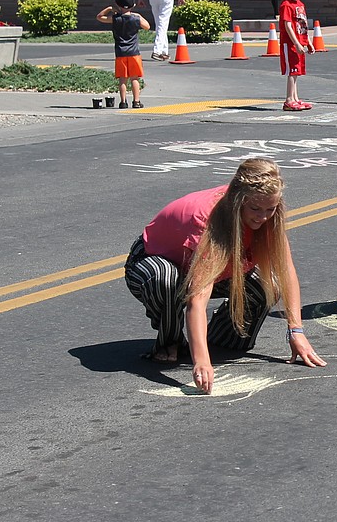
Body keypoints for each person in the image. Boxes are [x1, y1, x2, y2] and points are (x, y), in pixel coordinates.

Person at [124, 159, 325, 394]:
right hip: (154, 260)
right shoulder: (207, 220)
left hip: (221, 264)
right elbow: (197, 299)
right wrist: (201, 361)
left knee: (264, 290)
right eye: (255, 209)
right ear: (238, 201)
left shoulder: (271, 214)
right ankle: (171, 341)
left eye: (270, 209)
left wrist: (296, 331)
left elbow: (286, 272)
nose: (263, 217)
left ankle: (216, 337)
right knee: (165, 280)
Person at [96, 0, 150, 110]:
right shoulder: (136, 18)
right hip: (134, 53)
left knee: (122, 79)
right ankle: (136, 101)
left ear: (118, 5)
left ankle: (123, 102)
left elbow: (99, 17)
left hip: (120, 53)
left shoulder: (115, 19)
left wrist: (110, 8)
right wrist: (139, 16)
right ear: (133, 5)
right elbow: (147, 26)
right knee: (134, 78)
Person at [279, 0, 315, 111]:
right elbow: (288, 26)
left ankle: (295, 98)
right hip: (290, 43)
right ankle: (289, 100)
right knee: (292, 70)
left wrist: (308, 42)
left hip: (300, 41)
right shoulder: (286, 5)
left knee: (297, 70)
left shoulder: (300, 4)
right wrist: (296, 43)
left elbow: (303, 25)